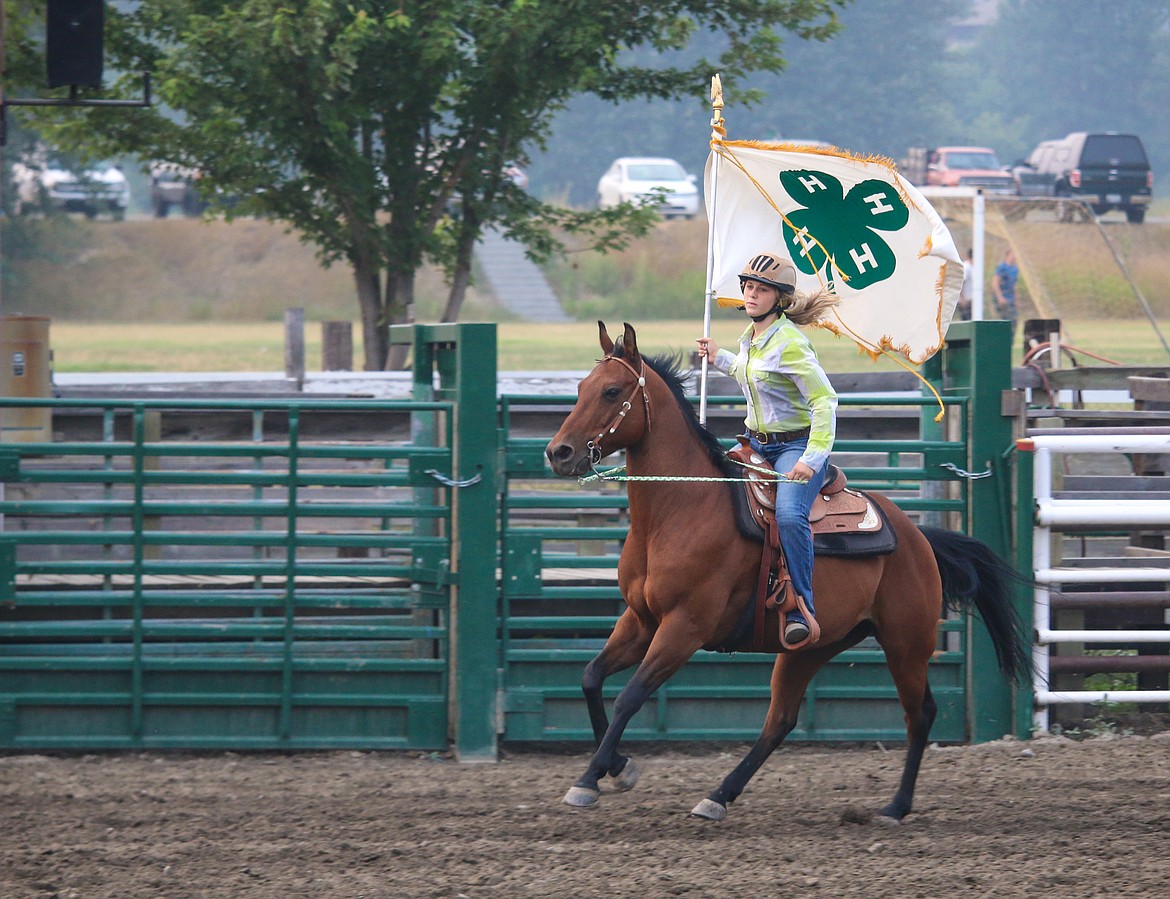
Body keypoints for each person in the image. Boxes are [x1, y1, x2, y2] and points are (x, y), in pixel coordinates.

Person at [696, 252, 839, 649]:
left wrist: (811, 461)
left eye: (761, 289)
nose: (751, 294)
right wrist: (720, 358)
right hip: (755, 443)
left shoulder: (791, 344)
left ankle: (801, 607)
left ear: (779, 298)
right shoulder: (752, 339)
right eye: (748, 287)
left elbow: (824, 402)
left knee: (791, 516)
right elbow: (751, 374)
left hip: (794, 446)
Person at [992, 247, 1019, 341]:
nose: (1015, 257)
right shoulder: (1002, 267)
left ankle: (1010, 342)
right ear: (1008, 255)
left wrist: (1016, 299)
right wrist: (1000, 297)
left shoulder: (1015, 269)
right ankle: (1003, 340)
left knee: (1014, 321)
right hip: (1003, 299)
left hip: (1011, 300)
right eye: (1013, 254)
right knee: (1007, 321)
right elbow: (995, 282)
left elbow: (1014, 285)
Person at [958, 247, 973, 321]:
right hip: (965, 301)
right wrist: (962, 299)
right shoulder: (966, 267)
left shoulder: (974, 267)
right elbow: (961, 283)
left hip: (972, 300)